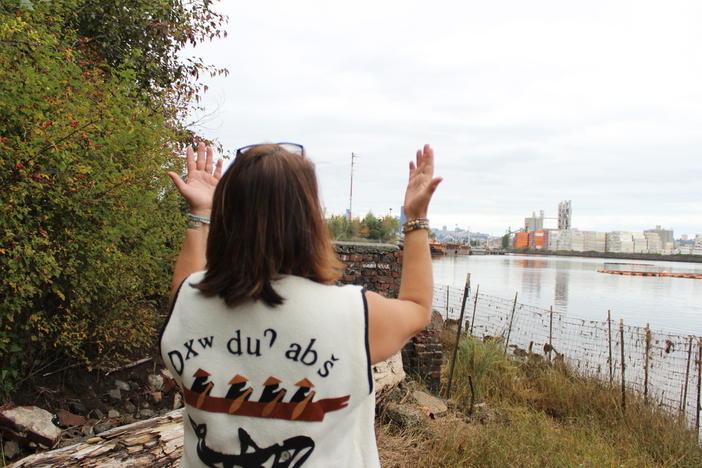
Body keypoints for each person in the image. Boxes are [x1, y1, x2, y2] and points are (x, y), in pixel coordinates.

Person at [161, 142, 442, 467]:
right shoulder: (354, 315)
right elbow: (418, 307)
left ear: (228, 215)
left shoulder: (188, 303)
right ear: (309, 219)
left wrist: (201, 214)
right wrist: (416, 220)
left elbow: (187, 283)